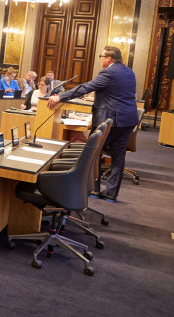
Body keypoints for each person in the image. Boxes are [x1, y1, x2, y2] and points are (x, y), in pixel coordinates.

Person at [47, 46, 138, 202]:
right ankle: (111, 193)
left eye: (101, 56)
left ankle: (93, 189)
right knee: (118, 156)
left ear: (109, 58)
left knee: (94, 151)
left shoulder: (108, 72)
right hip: (128, 120)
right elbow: (117, 94)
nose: (100, 59)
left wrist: (60, 97)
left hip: (111, 119)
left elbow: (85, 87)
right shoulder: (129, 72)